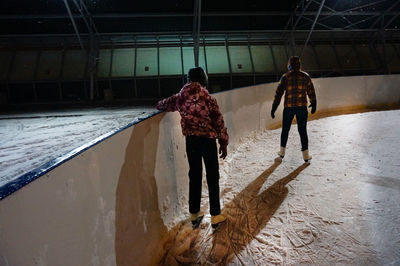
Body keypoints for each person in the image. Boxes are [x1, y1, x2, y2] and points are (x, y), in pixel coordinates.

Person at [156, 67, 228, 229]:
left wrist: (158, 104)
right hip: (208, 141)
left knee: (194, 175)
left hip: (191, 141)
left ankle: (194, 214)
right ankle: (215, 215)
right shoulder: (207, 97)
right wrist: (223, 142)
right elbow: (218, 121)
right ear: (203, 78)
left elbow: (162, 105)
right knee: (212, 176)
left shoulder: (180, 97)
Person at [270, 56, 317, 162]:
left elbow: (278, 94)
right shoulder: (305, 76)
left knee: (285, 130)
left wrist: (274, 107)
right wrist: (314, 103)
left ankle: (281, 153)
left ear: (290, 65)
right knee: (302, 131)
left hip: (289, 108)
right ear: (300, 65)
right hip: (302, 108)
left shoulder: (285, 77)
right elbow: (311, 91)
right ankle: (306, 155)